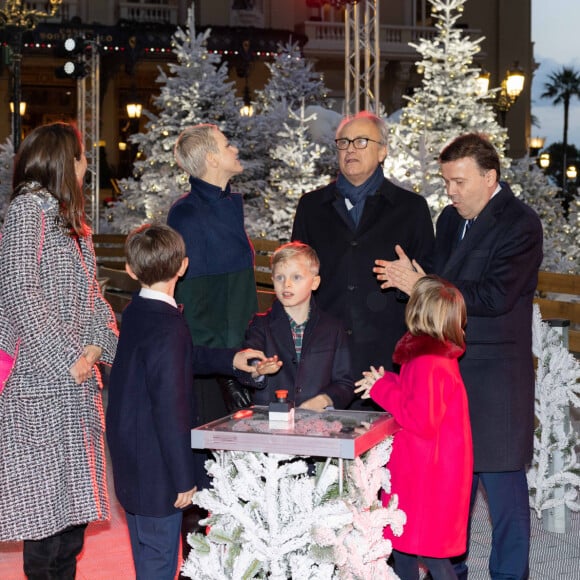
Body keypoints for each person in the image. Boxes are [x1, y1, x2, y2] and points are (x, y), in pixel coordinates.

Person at [375, 133, 543, 580]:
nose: (449, 191)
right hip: (443, 374)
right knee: (448, 488)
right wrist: (407, 281)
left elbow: (494, 296)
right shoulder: (450, 219)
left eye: (459, 181)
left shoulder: (521, 224)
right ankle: (452, 570)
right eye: (446, 180)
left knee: (503, 490)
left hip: (494, 380)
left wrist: (423, 287)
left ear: (490, 178)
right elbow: (430, 275)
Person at [106, 223, 266, 580]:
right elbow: (170, 410)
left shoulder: (137, 313)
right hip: (160, 472)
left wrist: (230, 359)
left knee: (146, 557)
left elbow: (177, 358)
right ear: (183, 266)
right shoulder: (168, 326)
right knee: (161, 564)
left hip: (133, 462)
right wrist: (183, 478)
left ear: (131, 271)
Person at [0, 122, 119, 578]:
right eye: (81, 155)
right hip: (37, 387)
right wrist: (67, 358)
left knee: (70, 527)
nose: (87, 164)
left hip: (75, 387)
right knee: (45, 528)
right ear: (61, 161)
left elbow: (95, 298)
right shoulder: (28, 209)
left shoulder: (75, 226)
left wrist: (94, 347)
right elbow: (17, 288)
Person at [291, 110, 434, 409]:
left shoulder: (411, 209)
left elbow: (430, 286)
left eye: (360, 141)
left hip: (386, 359)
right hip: (326, 357)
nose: (350, 149)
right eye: (343, 142)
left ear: (383, 151)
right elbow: (296, 275)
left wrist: (409, 282)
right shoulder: (311, 207)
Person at [355, 275, 473, 580]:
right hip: (428, 469)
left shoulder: (429, 361)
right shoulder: (430, 357)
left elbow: (421, 418)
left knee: (425, 553)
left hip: (425, 474)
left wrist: (383, 389)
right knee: (406, 547)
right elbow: (417, 395)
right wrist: (387, 382)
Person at [167, 123, 258, 420]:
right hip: (213, 369)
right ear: (211, 159)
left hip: (237, 357)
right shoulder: (189, 215)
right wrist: (226, 371)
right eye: (226, 144)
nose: (235, 148)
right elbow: (193, 303)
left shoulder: (226, 204)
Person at [241, 241, 354, 411]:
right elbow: (248, 361)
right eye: (280, 277)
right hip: (270, 423)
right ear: (272, 280)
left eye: (296, 277)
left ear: (315, 282)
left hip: (316, 424)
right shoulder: (260, 325)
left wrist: (323, 400)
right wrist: (257, 369)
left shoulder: (333, 328)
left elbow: (345, 382)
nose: (286, 284)